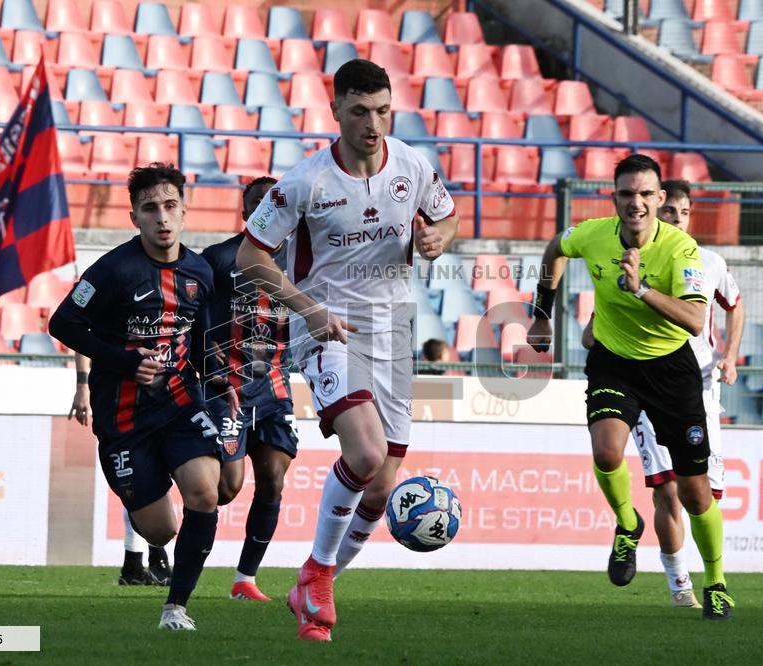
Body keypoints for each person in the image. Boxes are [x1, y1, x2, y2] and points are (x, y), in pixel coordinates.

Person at [235, 59, 459, 641]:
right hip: (327, 330)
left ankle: (313, 582)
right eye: (360, 111)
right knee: (364, 454)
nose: (374, 123)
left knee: (382, 485)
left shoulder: (412, 163)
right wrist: (308, 311)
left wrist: (438, 238)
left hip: (394, 333)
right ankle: (318, 579)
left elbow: (446, 217)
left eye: (383, 110)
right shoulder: (303, 182)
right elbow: (249, 259)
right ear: (335, 110)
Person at [528, 154, 735, 620]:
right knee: (606, 452)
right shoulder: (594, 234)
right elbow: (553, 249)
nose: (636, 203)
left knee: (695, 491)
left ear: (660, 199)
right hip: (614, 364)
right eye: (626, 194)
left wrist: (640, 289)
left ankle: (716, 582)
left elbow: (694, 319)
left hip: (671, 371)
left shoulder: (682, 249)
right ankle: (627, 524)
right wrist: (541, 311)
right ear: (614, 197)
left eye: (645, 194)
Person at [49, 163, 237, 631]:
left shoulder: (199, 271)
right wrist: (124, 360)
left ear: (184, 211)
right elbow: (62, 324)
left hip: (176, 400)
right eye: (150, 208)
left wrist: (216, 377)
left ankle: (176, 608)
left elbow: (194, 338)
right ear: (134, 216)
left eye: (170, 206)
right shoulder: (113, 270)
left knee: (205, 492)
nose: (162, 217)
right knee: (161, 529)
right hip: (123, 415)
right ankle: (150, 481)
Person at [581, 179, 744, 609]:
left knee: (699, 493)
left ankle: (715, 581)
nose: (675, 219)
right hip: (640, 378)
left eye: (683, 212)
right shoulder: (634, 257)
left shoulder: (708, 262)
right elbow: (592, 330)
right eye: (669, 211)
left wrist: (730, 355)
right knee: (666, 490)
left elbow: (734, 304)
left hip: (696, 386)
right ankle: (680, 587)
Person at [200, 175, 300, 602]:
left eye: (273, 201)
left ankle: (245, 580)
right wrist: (208, 351)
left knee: (274, 480)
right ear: (246, 214)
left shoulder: (301, 262)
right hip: (229, 389)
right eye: (257, 203)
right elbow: (194, 310)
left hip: (275, 385)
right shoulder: (219, 259)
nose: (266, 208)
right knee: (226, 489)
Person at [69, 352, 172, 587]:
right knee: (138, 483)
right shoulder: (109, 319)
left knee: (152, 481)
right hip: (118, 402)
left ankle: (138, 564)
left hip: (161, 399)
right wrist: (82, 386)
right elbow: (83, 341)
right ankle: (146, 561)